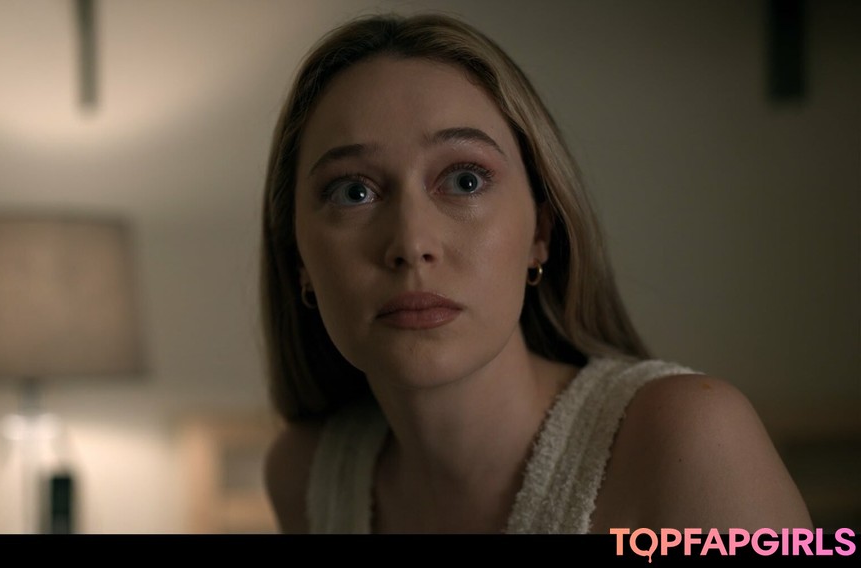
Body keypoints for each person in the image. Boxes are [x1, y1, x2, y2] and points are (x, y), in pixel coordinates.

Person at [260, 13, 811, 533]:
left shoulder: (688, 439)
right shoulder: (307, 478)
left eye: (465, 181)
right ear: (299, 259)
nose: (411, 243)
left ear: (540, 232)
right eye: (353, 191)